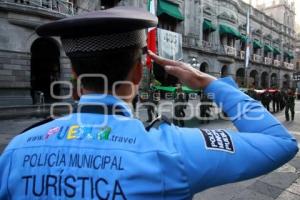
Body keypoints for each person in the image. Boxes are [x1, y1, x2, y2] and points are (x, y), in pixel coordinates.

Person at [0, 7, 298, 199]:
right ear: (138, 71)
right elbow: (279, 143)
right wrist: (210, 83)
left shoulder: (18, 149)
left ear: (76, 76)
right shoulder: (172, 149)